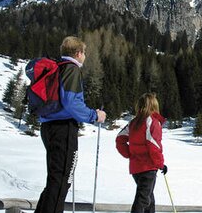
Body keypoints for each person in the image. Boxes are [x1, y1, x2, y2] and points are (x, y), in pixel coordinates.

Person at [35, 36, 107, 213]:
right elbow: (71, 102)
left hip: (48, 126)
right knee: (61, 180)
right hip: (63, 128)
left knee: (55, 179)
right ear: (78, 53)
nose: (85, 56)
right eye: (84, 53)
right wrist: (94, 115)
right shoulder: (71, 69)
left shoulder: (57, 68)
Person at [116, 93, 168, 213]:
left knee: (148, 197)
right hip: (148, 167)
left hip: (136, 168)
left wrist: (130, 154)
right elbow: (154, 145)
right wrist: (160, 163)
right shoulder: (152, 122)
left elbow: (120, 139)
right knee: (143, 198)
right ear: (155, 105)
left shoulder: (133, 122)